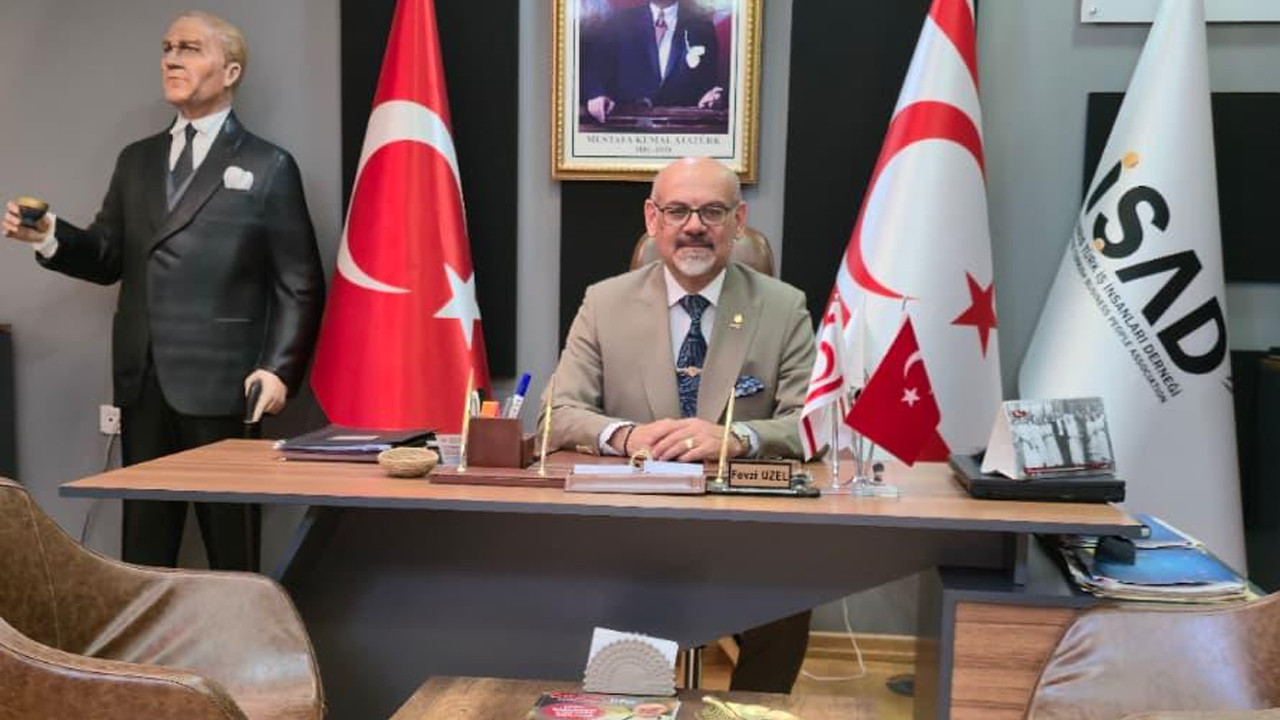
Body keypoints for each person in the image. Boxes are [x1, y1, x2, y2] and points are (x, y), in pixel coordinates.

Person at [2, 11, 325, 571]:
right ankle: (149, 636)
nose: (172, 59)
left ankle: (235, 634)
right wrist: (51, 235)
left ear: (230, 71)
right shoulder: (137, 161)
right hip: (144, 381)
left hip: (227, 386)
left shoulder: (268, 165)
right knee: (144, 553)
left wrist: (279, 370)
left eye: (190, 48)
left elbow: (299, 281)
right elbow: (107, 256)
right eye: (168, 47)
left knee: (232, 554)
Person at [547, 157, 816, 692]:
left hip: (745, 529)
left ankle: (751, 710)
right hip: (634, 525)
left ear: (738, 222)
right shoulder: (604, 302)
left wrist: (737, 438)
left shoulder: (783, 308)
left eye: (712, 211)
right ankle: (628, 703)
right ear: (653, 219)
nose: (694, 226)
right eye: (677, 211)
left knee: (790, 589)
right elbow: (557, 412)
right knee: (597, 605)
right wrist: (626, 436)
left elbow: (811, 423)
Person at [581, 0, 725, 124]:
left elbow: (709, 83)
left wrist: (712, 96)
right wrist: (596, 95)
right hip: (624, 124)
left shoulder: (702, 28)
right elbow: (595, 70)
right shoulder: (618, 21)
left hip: (680, 126)